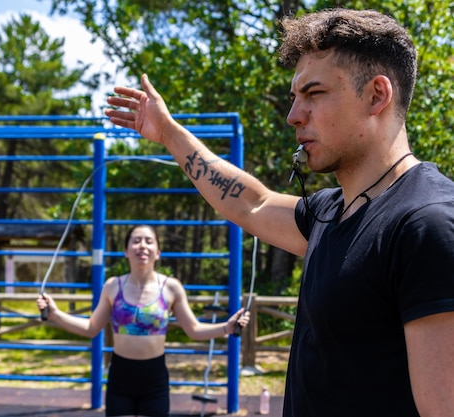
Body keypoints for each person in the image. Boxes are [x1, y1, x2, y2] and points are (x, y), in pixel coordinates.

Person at [104, 8, 454, 417]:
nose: (293, 116)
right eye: (294, 97)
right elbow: (253, 204)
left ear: (377, 95)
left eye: (314, 93)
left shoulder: (428, 225)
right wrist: (167, 133)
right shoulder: (331, 211)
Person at [37, 224, 251, 417]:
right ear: (126, 251)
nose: (142, 246)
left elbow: (194, 329)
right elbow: (91, 328)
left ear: (157, 253)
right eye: (136, 240)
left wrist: (227, 327)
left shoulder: (171, 287)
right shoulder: (113, 286)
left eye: (149, 241)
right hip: (120, 376)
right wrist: (55, 314)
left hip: (154, 378)